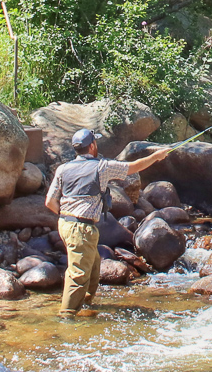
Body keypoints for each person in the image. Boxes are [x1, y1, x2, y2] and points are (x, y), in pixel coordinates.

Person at [45, 128, 171, 315]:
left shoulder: (63, 169)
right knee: (78, 274)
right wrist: (156, 156)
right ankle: (66, 317)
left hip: (65, 224)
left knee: (94, 265)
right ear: (92, 146)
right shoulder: (101, 167)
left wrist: (67, 216)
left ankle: (86, 305)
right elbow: (133, 167)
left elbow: (49, 202)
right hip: (81, 228)